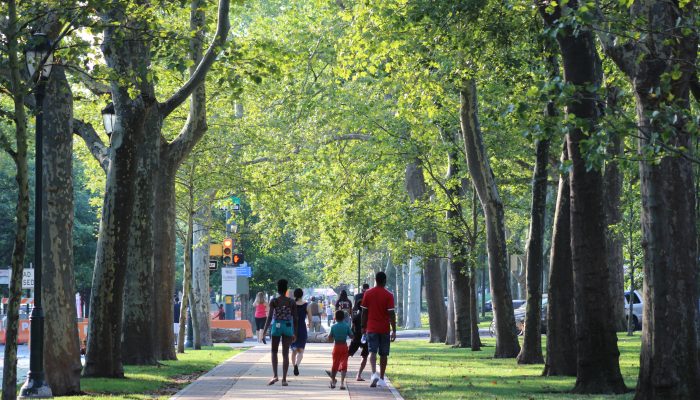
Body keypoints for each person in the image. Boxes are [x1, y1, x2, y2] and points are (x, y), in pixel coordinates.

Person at [361, 271, 397, 388]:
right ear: (385, 281)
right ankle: (381, 378)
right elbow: (391, 314)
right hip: (384, 329)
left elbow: (364, 312)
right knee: (384, 354)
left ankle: (373, 373)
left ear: (375, 280)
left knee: (372, 352)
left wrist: (363, 326)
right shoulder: (389, 295)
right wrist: (394, 330)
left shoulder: (368, 293)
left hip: (371, 327)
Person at [263, 279, 298, 386]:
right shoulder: (291, 302)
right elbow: (295, 318)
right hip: (287, 327)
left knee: (274, 351)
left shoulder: (274, 301)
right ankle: (284, 379)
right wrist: (295, 333)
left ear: (278, 289)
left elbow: (269, 317)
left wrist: (264, 332)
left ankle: (275, 376)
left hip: (276, 327)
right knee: (285, 353)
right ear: (286, 289)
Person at [328, 309, 353, 390]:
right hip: (344, 347)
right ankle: (342, 383)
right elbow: (352, 336)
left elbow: (329, 338)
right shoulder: (346, 326)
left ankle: (333, 381)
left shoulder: (333, 326)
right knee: (344, 365)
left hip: (336, 346)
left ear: (335, 317)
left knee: (334, 364)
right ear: (343, 318)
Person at [349, 285, 369, 381]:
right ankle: (359, 375)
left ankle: (340, 367)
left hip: (356, 337)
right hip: (366, 337)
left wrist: (352, 335)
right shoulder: (369, 317)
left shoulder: (356, 317)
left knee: (348, 354)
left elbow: (352, 328)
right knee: (364, 356)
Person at [291, 288, 312, 376]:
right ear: (302, 295)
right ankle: (297, 365)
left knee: (294, 350)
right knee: (301, 351)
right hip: (302, 328)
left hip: (292, 329)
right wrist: (309, 324)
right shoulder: (307, 305)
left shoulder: (291, 304)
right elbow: (310, 318)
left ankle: (294, 366)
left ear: (294, 295)